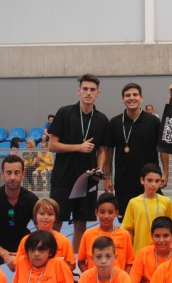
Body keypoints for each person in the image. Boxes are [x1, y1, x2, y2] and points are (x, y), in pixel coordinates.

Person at [47, 74, 109, 256]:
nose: (88, 93)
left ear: (98, 93)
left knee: (81, 222)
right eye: (85, 89)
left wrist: (99, 168)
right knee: (56, 221)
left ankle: (75, 262)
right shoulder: (64, 113)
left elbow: (102, 150)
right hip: (63, 178)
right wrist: (78, 147)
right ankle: (52, 258)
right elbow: (52, 145)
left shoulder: (102, 119)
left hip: (87, 180)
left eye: (92, 90)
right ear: (79, 91)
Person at [102, 83, 170, 215]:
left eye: (135, 95)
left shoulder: (153, 121)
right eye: (127, 95)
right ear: (123, 99)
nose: (131, 98)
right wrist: (107, 177)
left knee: (153, 220)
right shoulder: (115, 122)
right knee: (127, 222)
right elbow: (108, 151)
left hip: (149, 182)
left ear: (141, 98)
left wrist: (166, 172)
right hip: (123, 183)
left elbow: (163, 149)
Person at [0, 154, 39, 271]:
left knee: (42, 251)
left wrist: (27, 252)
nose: (12, 177)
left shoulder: (31, 199)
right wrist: (4, 254)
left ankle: (36, 280)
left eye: (17, 173)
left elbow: (42, 231)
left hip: (22, 243)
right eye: (8, 173)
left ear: (23, 174)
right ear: (2, 174)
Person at [122, 163, 172, 251]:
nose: (153, 184)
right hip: (139, 251)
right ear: (142, 180)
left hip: (161, 252)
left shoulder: (166, 202)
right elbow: (128, 231)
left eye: (157, 181)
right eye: (149, 180)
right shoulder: (133, 203)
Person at [78, 193, 134, 274]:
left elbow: (130, 263)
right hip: (94, 280)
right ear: (96, 212)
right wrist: (89, 277)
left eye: (110, 212)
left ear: (116, 213)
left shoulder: (124, 235)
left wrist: (124, 278)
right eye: (102, 212)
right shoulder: (88, 234)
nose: (106, 216)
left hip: (118, 280)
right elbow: (81, 261)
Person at [15, 198, 76, 272]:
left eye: (50, 214)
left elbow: (71, 265)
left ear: (55, 217)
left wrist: (55, 273)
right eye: (42, 214)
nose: (46, 217)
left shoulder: (63, 241)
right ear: (35, 216)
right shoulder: (26, 240)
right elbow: (19, 263)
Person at [130, 216, 172, 283]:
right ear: (151, 236)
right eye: (157, 236)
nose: (161, 240)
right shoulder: (143, 253)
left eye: (165, 236)